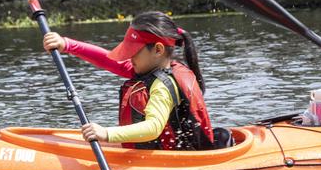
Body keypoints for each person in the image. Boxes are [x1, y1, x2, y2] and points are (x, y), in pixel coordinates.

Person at [42, 12, 215, 150]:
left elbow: (153, 127)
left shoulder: (162, 86)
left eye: (133, 52)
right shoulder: (150, 67)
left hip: (177, 163)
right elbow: (109, 61)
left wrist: (106, 133)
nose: (128, 57)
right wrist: (67, 45)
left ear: (158, 50)